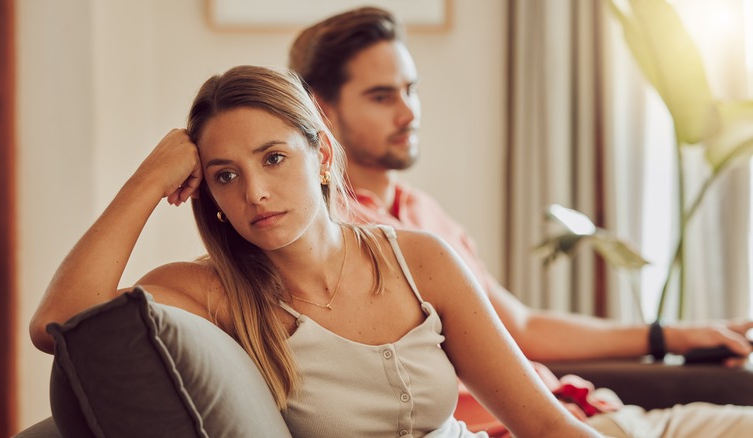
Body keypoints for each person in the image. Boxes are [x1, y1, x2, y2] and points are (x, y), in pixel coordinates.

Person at [29, 65, 600, 437]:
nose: (254, 192)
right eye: (225, 175)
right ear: (208, 193)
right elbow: (57, 326)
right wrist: (148, 180)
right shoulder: (207, 292)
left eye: (273, 158)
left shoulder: (419, 261)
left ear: (322, 156)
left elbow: (544, 423)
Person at [288, 6, 753, 437]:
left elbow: (521, 325)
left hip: (592, 411)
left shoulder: (421, 211)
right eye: (382, 96)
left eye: (411, 89)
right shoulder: (335, 239)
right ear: (321, 109)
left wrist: (669, 334)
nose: (409, 113)